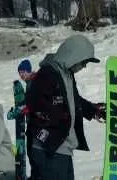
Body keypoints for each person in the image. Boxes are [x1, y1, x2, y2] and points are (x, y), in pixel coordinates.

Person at [25, 35, 106, 180]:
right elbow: (34, 103)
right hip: (48, 150)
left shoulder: (66, 74)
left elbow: (73, 100)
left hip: (62, 149)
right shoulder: (47, 74)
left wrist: (94, 110)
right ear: (73, 55)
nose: (84, 66)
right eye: (83, 62)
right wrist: (56, 120)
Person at [17, 58, 37, 180]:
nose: (21, 75)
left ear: (28, 70)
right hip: (33, 123)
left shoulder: (33, 83)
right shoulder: (31, 82)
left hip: (35, 125)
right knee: (32, 152)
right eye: (19, 73)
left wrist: (25, 108)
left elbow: (34, 102)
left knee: (33, 151)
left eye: (22, 72)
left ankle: (37, 175)